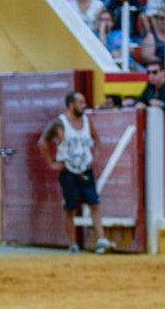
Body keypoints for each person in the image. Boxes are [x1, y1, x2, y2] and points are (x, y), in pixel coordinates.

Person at [37, 90, 114, 254]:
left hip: (85, 168)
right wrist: (51, 163)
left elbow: (97, 140)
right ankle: (72, 244)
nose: (84, 105)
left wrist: (96, 157)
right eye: (80, 102)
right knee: (70, 207)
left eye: (84, 102)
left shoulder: (87, 121)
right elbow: (42, 142)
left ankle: (100, 239)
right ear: (71, 104)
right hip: (69, 170)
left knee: (94, 203)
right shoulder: (59, 123)